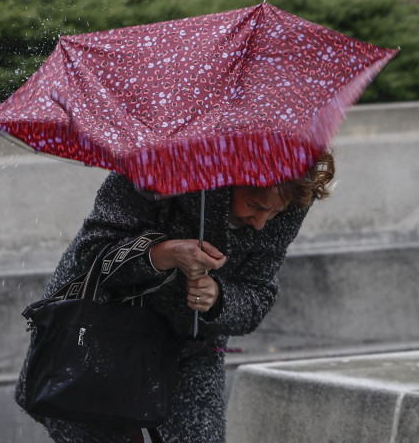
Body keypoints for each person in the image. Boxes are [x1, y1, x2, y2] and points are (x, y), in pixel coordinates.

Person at [16, 151, 335, 443]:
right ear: (233, 177)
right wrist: (163, 254)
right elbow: (93, 251)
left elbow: (258, 290)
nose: (261, 223)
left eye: (275, 212)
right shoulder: (154, 163)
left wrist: (219, 298)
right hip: (99, 330)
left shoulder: (292, 200)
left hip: (188, 343)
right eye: (254, 205)